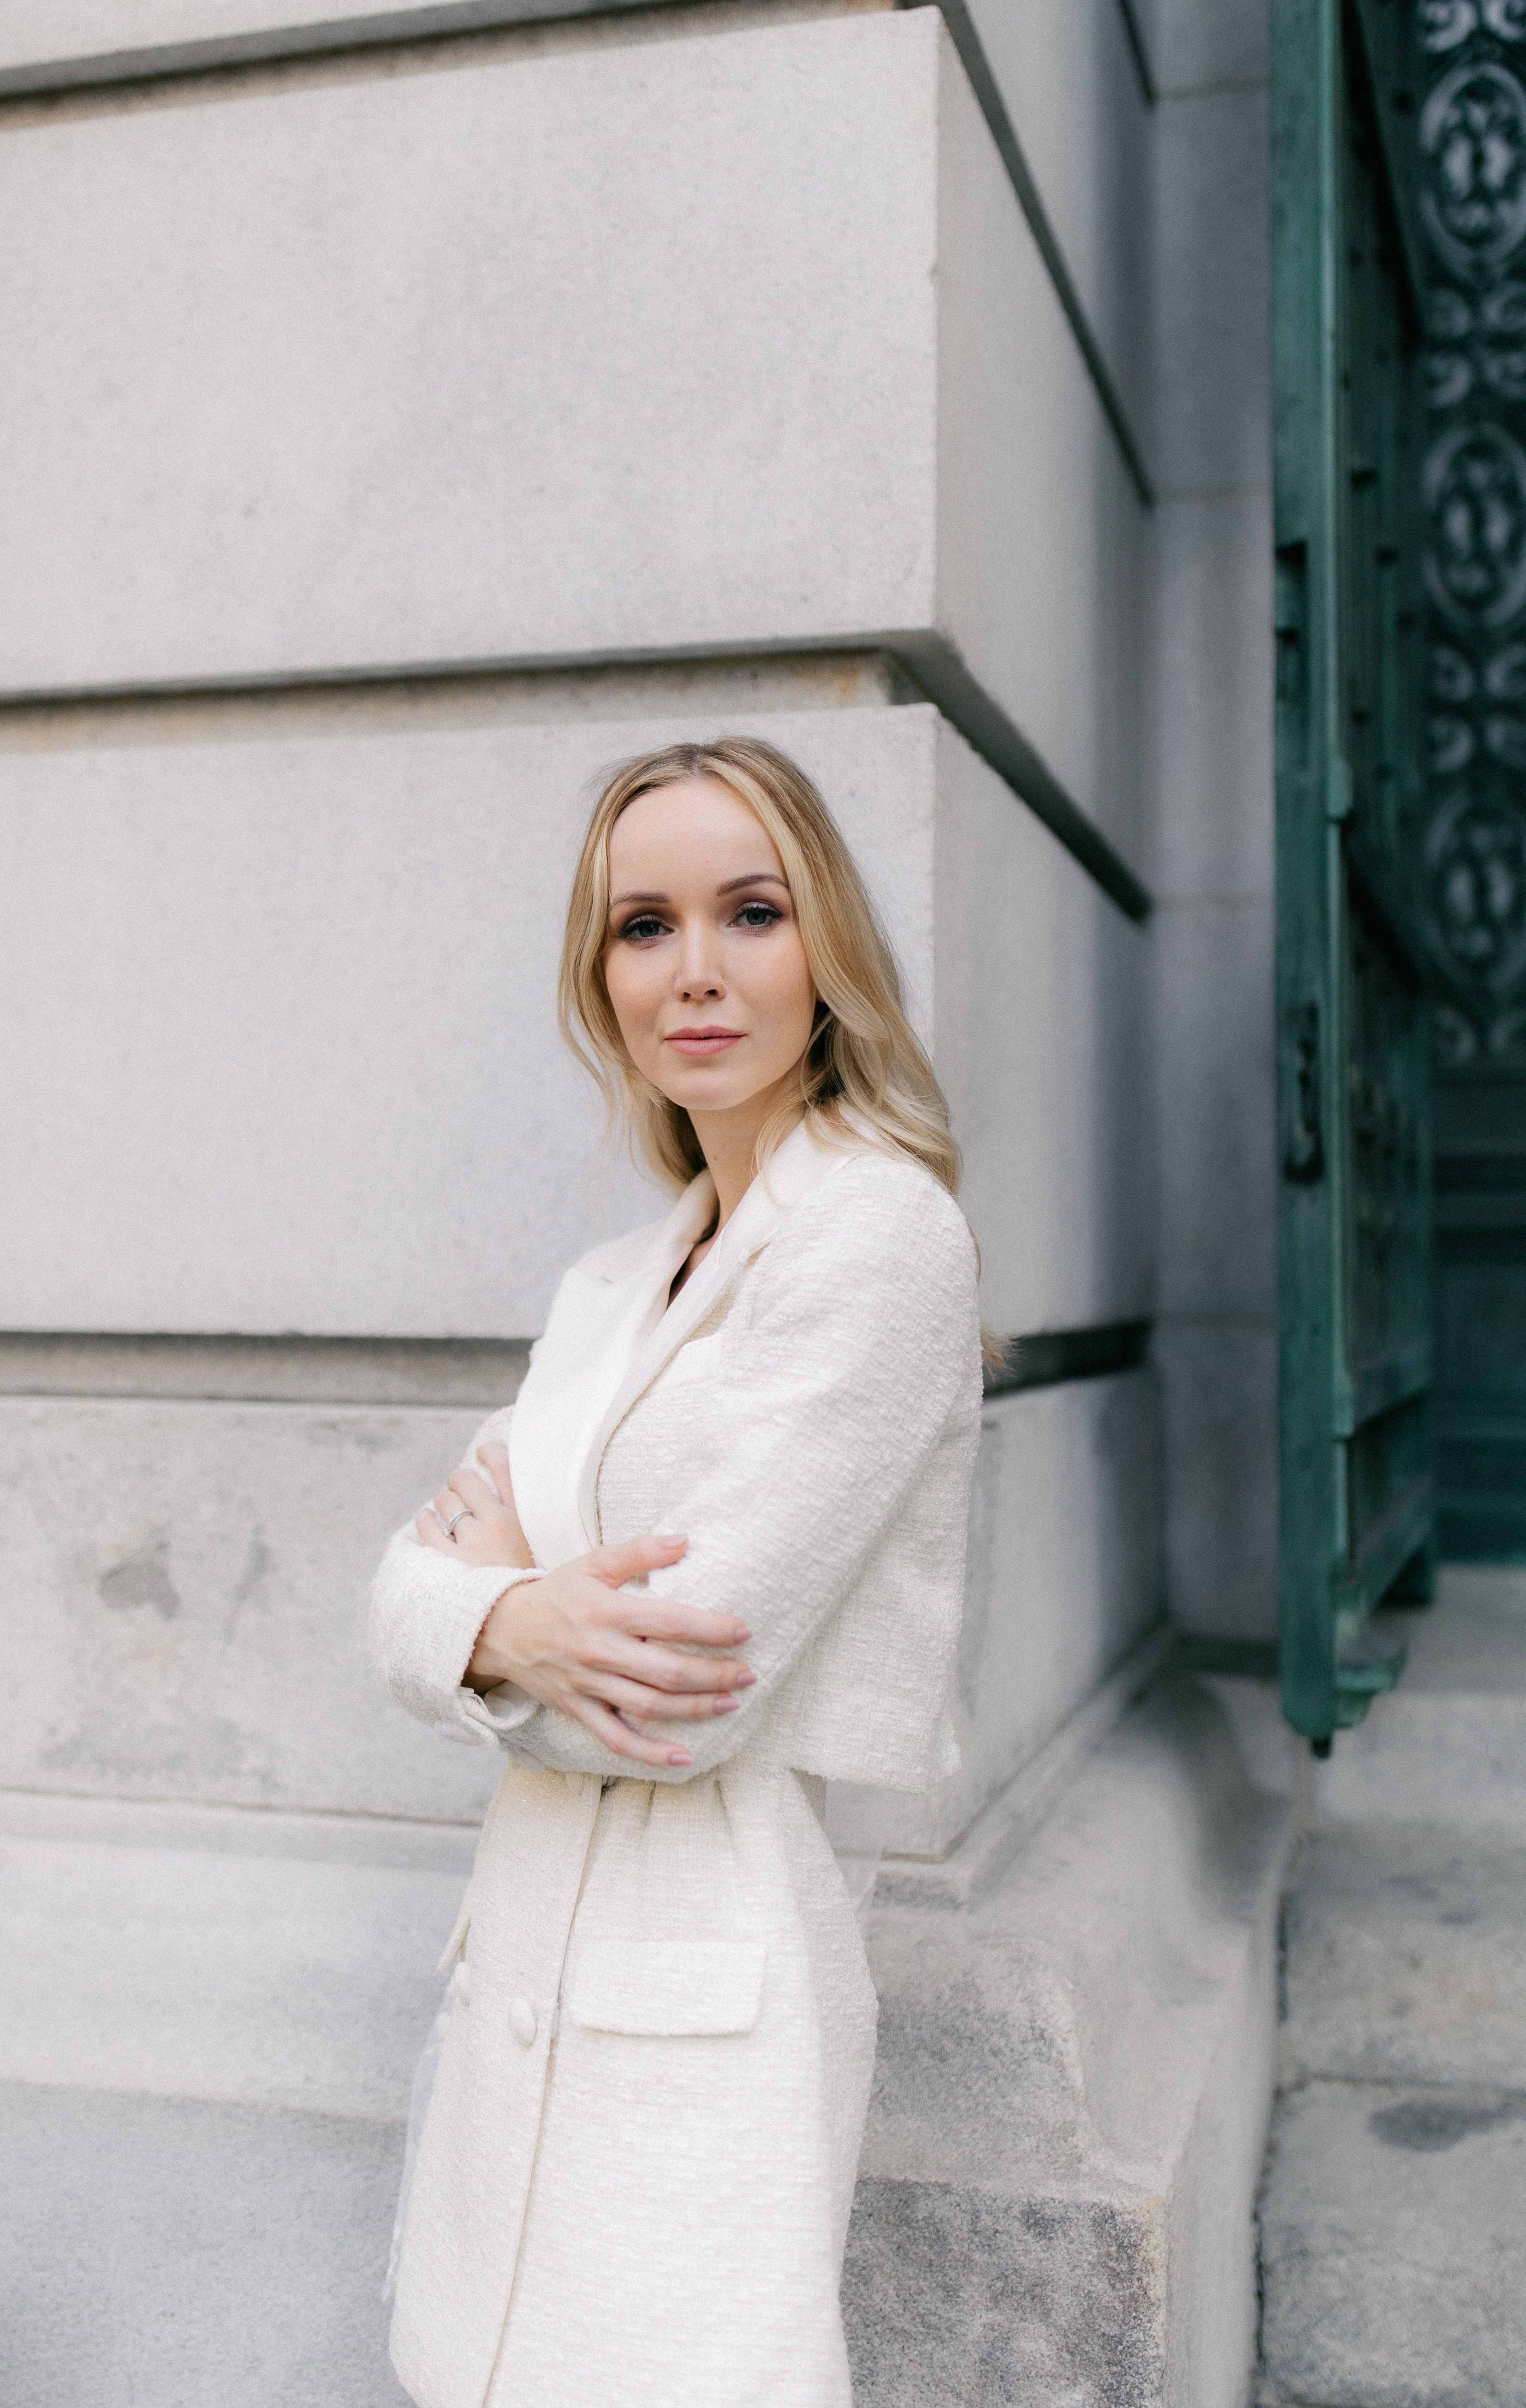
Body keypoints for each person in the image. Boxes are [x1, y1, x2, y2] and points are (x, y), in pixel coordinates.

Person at [369, 736, 983, 2408]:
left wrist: (493, 1605)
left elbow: (679, 1693)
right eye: (644, 925)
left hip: (705, 1967)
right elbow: (394, 1593)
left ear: (827, 950)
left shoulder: (876, 1236)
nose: (694, 970)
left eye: (751, 911)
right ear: (602, 976)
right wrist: (506, 1613)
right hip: (522, 1962)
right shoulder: (614, 1281)